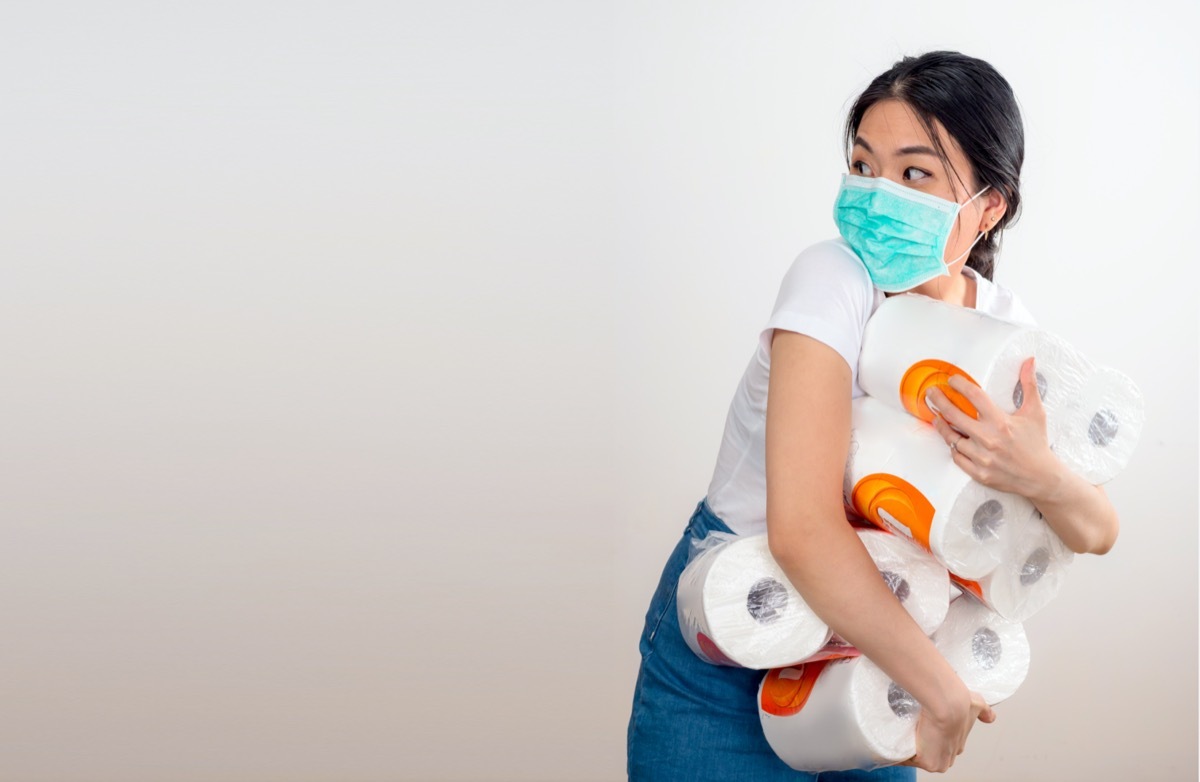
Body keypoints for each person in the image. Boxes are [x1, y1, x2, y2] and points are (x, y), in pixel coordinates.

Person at [625, 50, 1121, 781]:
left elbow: (1096, 530)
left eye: (915, 174)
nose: (878, 195)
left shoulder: (1003, 333)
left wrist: (1036, 473)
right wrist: (941, 692)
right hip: (740, 628)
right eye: (863, 166)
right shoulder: (832, 279)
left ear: (990, 206)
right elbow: (802, 531)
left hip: (879, 654)